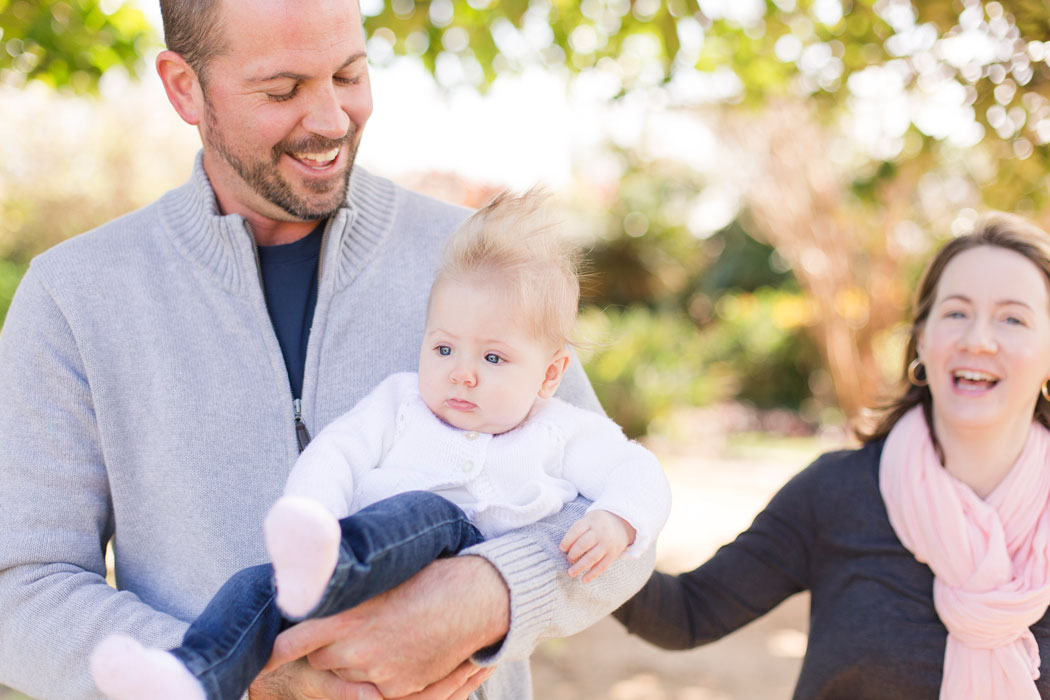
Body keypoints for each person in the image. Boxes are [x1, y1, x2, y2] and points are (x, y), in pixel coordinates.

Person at [0, 1, 656, 698]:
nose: (330, 121)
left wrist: (486, 595)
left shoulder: (484, 263)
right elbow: (20, 586)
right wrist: (255, 681)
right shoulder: (75, 295)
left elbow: (618, 509)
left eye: (348, 74)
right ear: (183, 87)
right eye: (282, 91)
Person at [88, 190, 671, 700]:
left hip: (451, 573)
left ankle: (322, 566)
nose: (461, 374)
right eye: (444, 349)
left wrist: (619, 519)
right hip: (340, 571)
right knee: (252, 586)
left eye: (493, 358)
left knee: (428, 510)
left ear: (550, 373)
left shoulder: (562, 430)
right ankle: (191, 675)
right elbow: (337, 451)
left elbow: (637, 472)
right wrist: (311, 517)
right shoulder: (400, 403)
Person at [615, 212, 1050, 699]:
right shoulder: (836, 492)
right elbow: (687, 613)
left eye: (1013, 318)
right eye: (956, 313)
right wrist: (582, 518)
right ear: (922, 340)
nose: (978, 340)